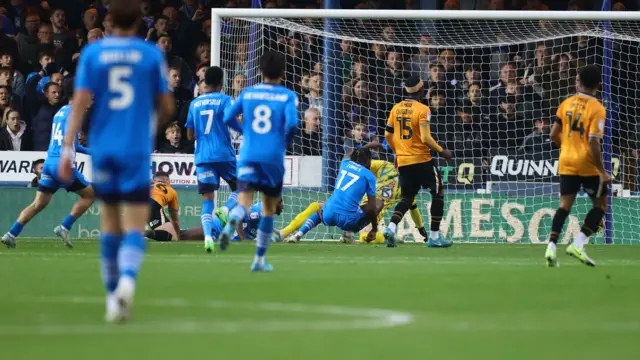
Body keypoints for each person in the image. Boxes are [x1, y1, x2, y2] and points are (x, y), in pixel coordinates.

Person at [58, 0, 175, 324]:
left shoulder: (94, 54)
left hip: (105, 147)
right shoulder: (150, 54)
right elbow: (167, 105)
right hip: (135, 148)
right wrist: (149, 124)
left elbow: (79, 104)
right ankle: (126, 282)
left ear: (109, 21)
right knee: (135, 224)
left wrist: (68, 151)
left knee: (109, 222)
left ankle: (112, 299)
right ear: (140, 22)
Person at [219, 51, 298, 272]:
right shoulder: (287, 96)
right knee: (268, 208)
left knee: (244, 202)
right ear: (283, 73)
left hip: (248, 154)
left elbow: (227, 118)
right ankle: (259, 260)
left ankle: (233, 219)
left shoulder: (247, 93)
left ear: (260, 71)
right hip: (272, 156)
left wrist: (245, 130)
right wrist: (285, 140)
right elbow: (292, 124)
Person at [2, 93, 95, 249]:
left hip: (49, 162)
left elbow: (75, 145)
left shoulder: (60, 112)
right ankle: (64, 226)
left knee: (38, 203)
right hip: (62, 163)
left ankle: (11, 234)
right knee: (90, 195)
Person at [545, 65, 610, 268]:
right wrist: (601, 170)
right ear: (598, 84)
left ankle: (551, 247)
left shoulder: (566, 103)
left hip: (566, 161)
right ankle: (578, 243)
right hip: (588, 164)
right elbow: (593, 141)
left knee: (564, 205)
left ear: (578, 81)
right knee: (601, 206)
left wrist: (567, 147)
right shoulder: (598, 108)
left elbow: (553, 134)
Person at [280, 154, 426, 244]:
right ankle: (284, 233)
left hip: (363, 211)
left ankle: (284, 233)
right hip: (361, 211)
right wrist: (422, 230)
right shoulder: (398, 177)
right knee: (317, 206)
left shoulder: (386, 167)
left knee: (363, 237)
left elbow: (360, 167)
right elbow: (413, 210)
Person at [382, 75, 453, 248]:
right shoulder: (423, 109)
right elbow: (426, 138)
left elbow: (387, 135)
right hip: (422, 159)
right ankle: (434, 237)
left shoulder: (395, 109)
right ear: (421, 91)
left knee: (407, 197)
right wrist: (442, 151)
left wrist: (398, 152)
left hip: (404, 161)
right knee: (438, 194)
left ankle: (390, 228)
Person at [185, 66, 237, 253]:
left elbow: (189, 135)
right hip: (223, 153)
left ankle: (207, 236)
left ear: (205, 82)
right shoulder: (226, 100)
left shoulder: (194, 104)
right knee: (242, 188)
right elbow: (233, 121)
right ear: (222, 83)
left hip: (203, 156)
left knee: (208, 200)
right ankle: (226, 209)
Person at [285, 148, 383, 242]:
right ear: (367, 160)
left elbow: (347, 154)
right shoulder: (369, 176)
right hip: (348, 220)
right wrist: (374, 228)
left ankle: (298, 235)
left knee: (319, 212)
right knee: (378, 204)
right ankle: (349, 233)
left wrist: (363, 148)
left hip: (329, 215)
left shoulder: (344, 163)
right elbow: (371, 207)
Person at [146, 171, 180, 242]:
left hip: (136, 204)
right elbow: (175, 220)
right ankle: (143, 234)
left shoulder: (149, 186)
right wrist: (178, 236)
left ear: (154, 181)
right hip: (154, 204)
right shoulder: (172, 191)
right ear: (168, 180)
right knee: (172, 236)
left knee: (168, 229)